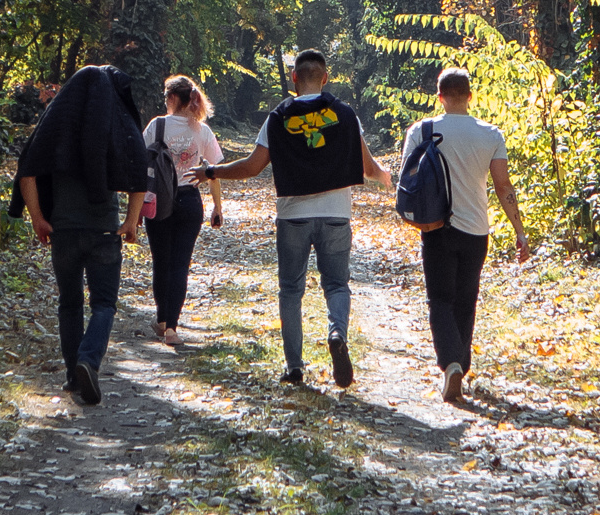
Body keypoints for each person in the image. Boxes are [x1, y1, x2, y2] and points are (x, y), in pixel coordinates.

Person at [190, 48, 389, 389]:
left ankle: (294, 367)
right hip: (336, 215)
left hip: (293, 217)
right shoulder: (345, 114)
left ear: (295, 77)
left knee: (290, 290)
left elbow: (252, 167)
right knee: (337, 285)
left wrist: (211, 171)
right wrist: (386, 176)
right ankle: (337, 332)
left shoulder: (278, 116)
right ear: (325, 79)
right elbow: (368, 168)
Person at [12, 65, 148, 406]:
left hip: (64, 232)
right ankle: (89, 359)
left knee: (69, 303)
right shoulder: (115, 127)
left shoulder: (55, 126)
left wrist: (38, 219)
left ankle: (74, 375)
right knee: (103, 304)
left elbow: (26, 170)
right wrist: (131, 222)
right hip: (104, 230)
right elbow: (138, 171)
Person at [401, 66, 530, 404]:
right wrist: (520, 231)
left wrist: (414, 221)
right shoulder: (490, 134)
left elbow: (407, 184)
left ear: (439, 96)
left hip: (436, 227)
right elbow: (503, 187)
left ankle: (451, 364)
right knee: (466, 299)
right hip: (476, 230)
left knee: (439, 299)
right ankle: (462, 363)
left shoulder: (421, 130)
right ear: (470, 96)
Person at [143, 75, 227, 346]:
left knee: (161, 261)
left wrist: (134, 210)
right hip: (190, 200)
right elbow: (214, 172)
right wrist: (217, 206)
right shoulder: (202, 130)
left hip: (159, 201)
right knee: (180, 264)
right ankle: (171, 328)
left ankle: (162, 319)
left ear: (172, 98)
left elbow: (141, 164)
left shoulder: (156, 126)